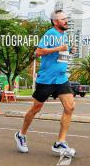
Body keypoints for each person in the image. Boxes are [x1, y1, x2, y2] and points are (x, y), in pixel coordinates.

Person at [15, 10, 77, 156]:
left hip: (61, 78)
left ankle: (60, 142)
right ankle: (21, 134)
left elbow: (61, 54)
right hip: (47, 79)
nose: (66, 21)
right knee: (36, 109)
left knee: (70, 107)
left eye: (66, 18)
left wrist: (70, 51)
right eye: (63, 19)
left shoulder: (64, 35)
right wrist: (58, 48)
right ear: (55, 22)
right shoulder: (51, 34)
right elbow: (38, 52)